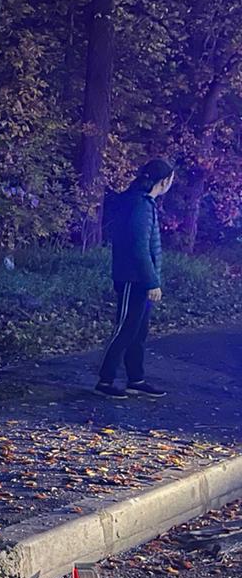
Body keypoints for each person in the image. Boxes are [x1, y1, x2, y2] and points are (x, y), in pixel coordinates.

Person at [95, 158, 174, 399]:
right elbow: (140, 246)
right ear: (164, 181)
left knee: (138, 331)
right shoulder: (140, 205)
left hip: (138, 277)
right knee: (126, 328)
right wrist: (152, 282)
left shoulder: (143, 203)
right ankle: (105, 381)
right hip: (133, 278)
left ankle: (135, 379)